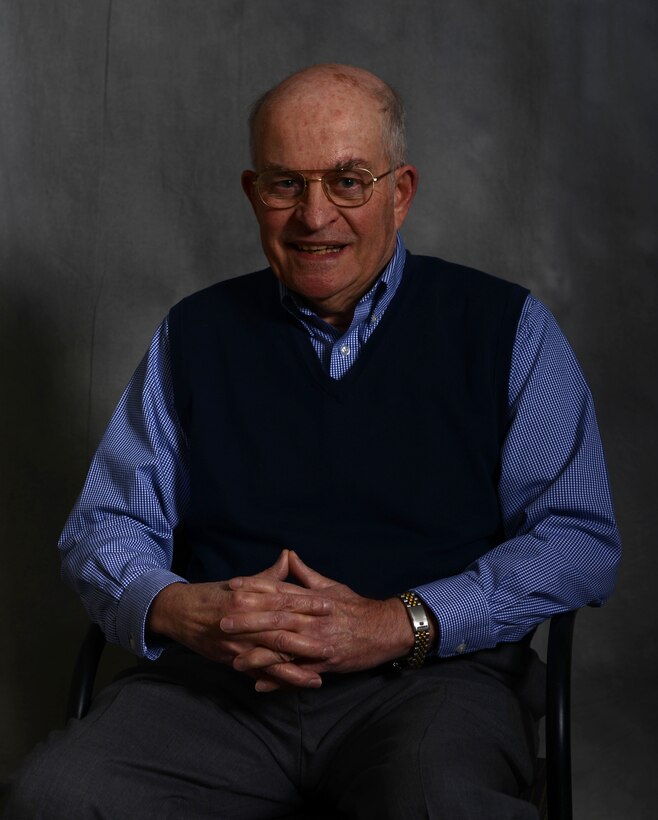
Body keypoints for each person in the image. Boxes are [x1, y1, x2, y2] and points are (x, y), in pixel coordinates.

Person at [3, 63, 620, 819]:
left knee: (440, 807)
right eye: (285, 184)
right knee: (58, 797)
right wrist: (178, 608)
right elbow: (104, 526)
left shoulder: (508, 330)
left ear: (401, 193)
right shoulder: (194, 334)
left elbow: (577, 539)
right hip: (216, 691)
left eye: (348, 181)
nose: (314, 216)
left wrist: (399, 622)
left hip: (430, 686)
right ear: (251, 193)